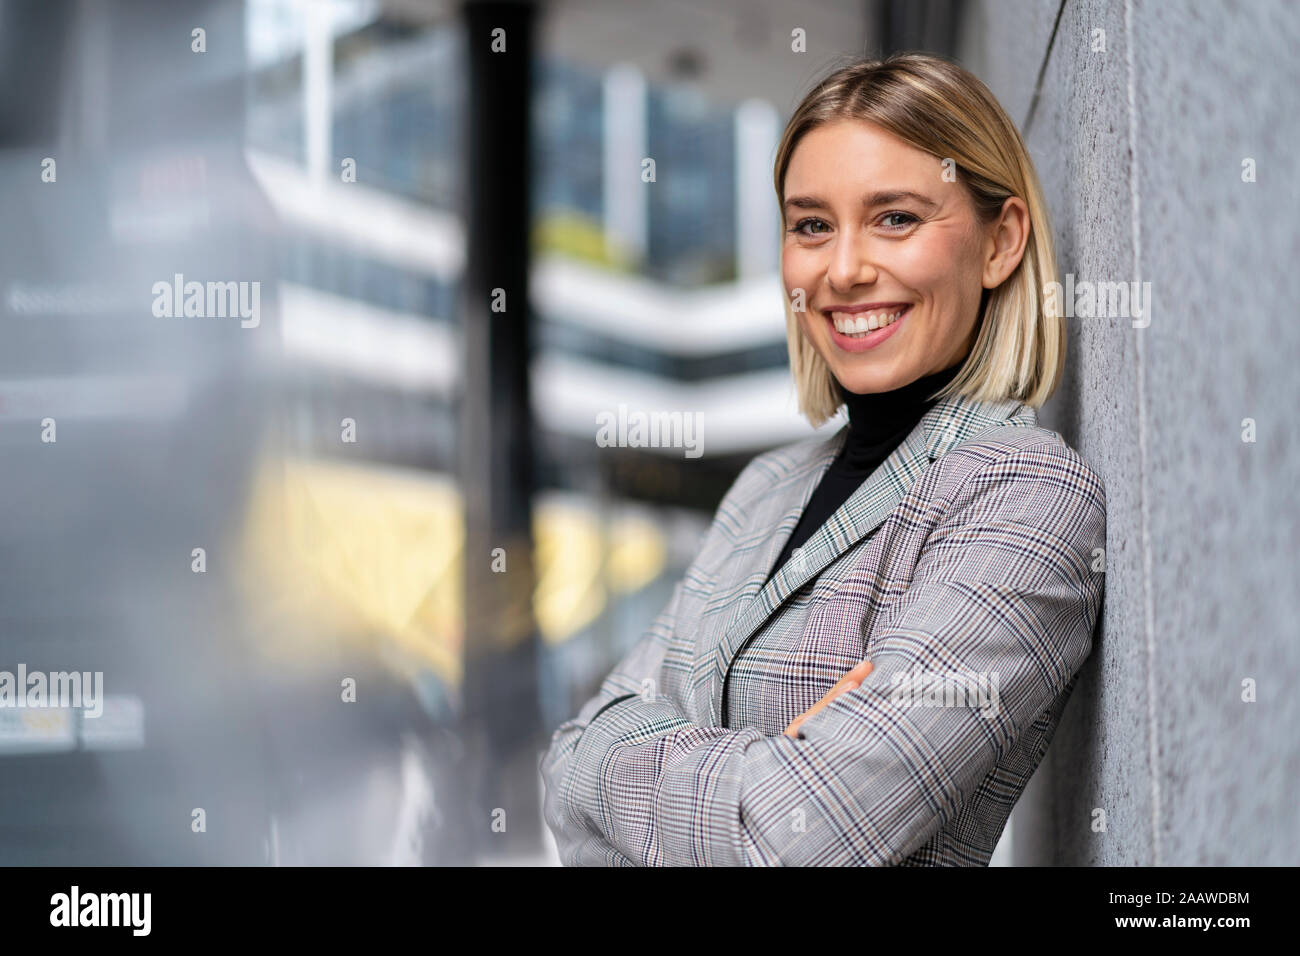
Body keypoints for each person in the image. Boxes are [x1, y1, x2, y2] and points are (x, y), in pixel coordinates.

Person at [540, 52, 1107, 866]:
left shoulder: (1027, 498)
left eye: (897, 218)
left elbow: (797, 837)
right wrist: (767, 762)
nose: (842, 271)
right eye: (812, 225)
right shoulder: (765, 487)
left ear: (1001, 242)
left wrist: (626, 747)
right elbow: (562, 767)